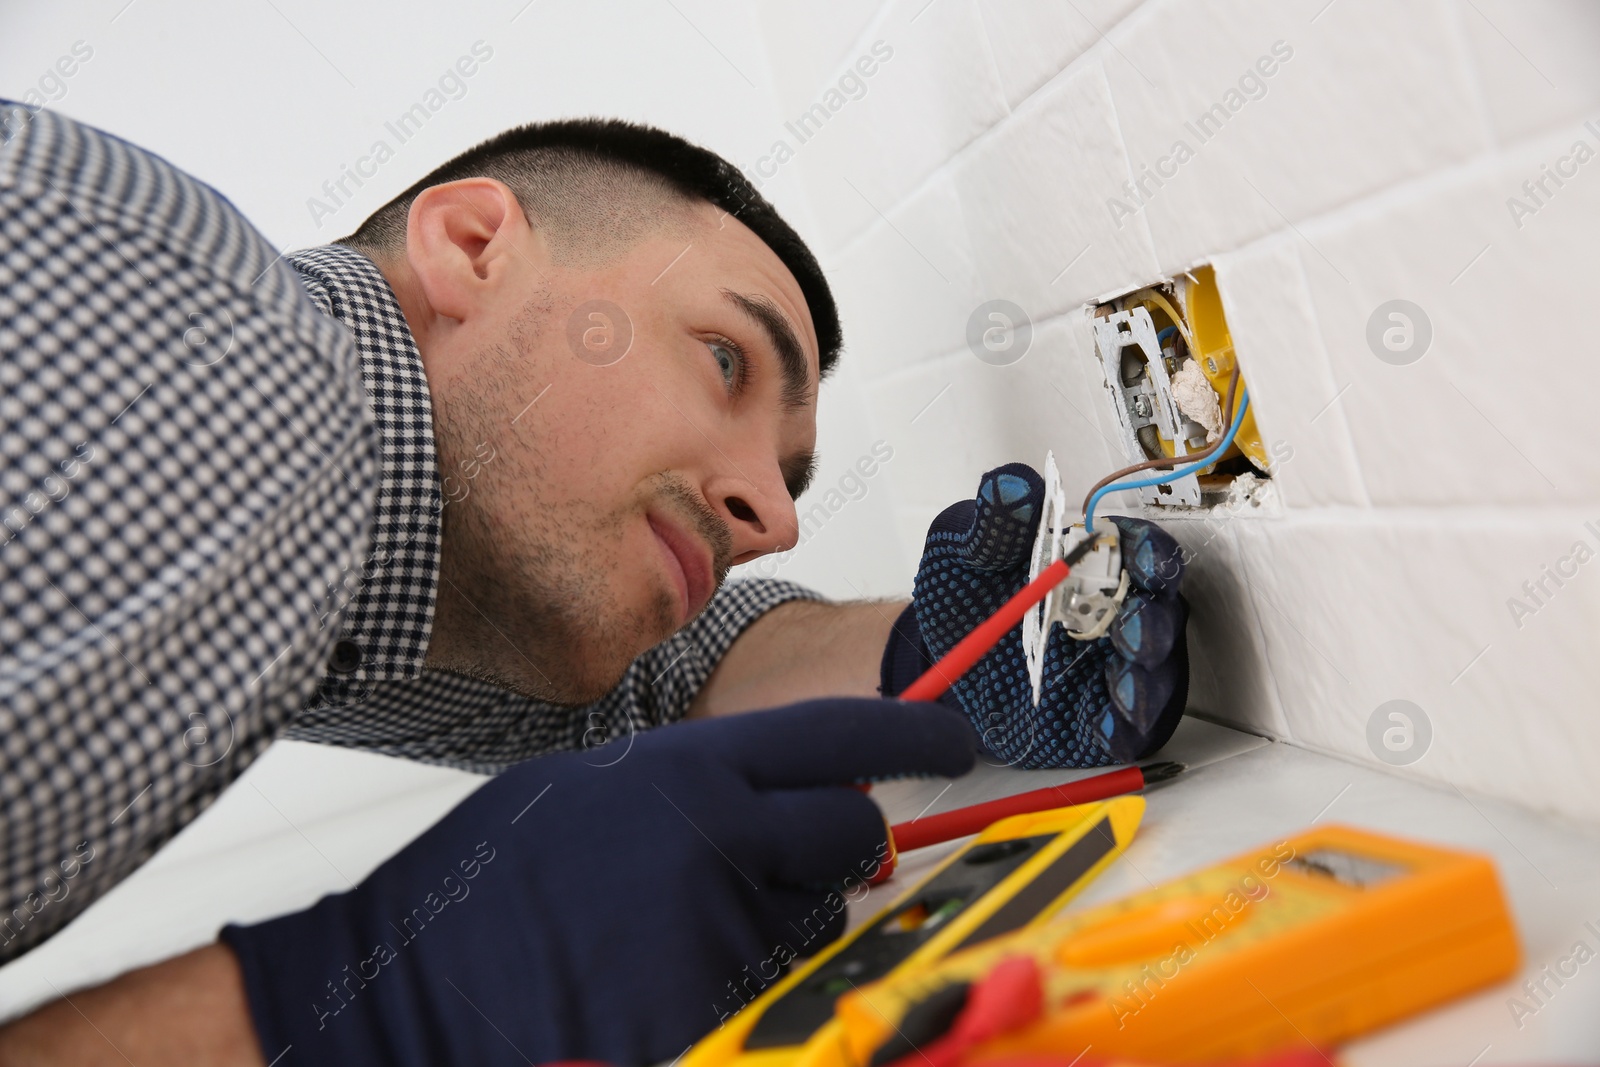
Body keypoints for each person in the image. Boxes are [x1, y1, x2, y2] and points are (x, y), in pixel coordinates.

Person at [0, 101, 1188, 1064]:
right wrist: (366, 1001)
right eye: (724, 356)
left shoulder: (382, 557)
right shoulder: (239, 366)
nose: (773, 520)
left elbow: (648, 689)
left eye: (787, 479)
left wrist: (921, 659)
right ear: (471, 245)